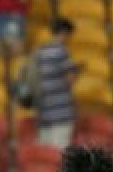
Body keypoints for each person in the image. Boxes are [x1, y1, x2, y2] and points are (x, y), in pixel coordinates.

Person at [31, 18, 79, 149]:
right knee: (59, 153)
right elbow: (69, 78)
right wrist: (76, 72)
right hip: (60, 111)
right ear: (64, 32)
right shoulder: (61, 51)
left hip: (43, 111)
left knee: (45, 154)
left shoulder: (39, 51)